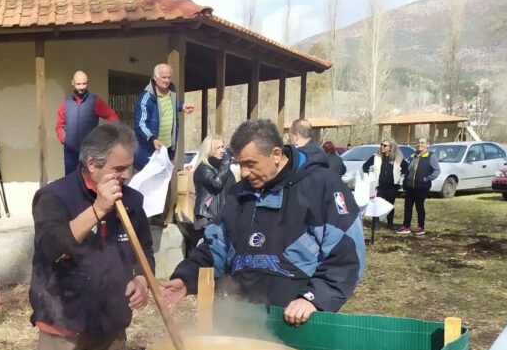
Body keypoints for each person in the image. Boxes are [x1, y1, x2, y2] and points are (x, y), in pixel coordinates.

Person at [163, 119, 365, 326]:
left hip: (298, 322)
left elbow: (347, 254)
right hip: (241, 320)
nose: (243, 173)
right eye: (240, 164)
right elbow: (215, 247)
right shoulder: (239, 193)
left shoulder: (322, 186)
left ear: (276, 154)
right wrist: (185, 279)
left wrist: (314, 298)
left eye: (251, 164)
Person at [28, 122, 152, 350]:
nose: (127, 175)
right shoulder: (54, 197)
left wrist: (141, 280)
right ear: (92, 164)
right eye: (119, 168)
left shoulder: (134, 202)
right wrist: (98, 209)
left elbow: (145, 252)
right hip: (62, 320)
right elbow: (53, 246)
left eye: (130, 167)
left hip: (109, 323)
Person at [55, 71, 119, 178]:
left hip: (90, 152)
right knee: (71, 183)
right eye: (78, 84)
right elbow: (59, 125)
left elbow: (112, 117)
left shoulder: (95, 101)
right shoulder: (65, 103)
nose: (81, 87)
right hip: (70, 153)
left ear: (87, 83)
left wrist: (105, 137)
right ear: (73, 83)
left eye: (84, 83)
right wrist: (64, 139)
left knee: (90, 183)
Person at [133, 63, 195, 171]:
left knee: (165, 184)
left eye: (169, 77)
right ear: (155, 78)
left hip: (167, 150)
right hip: (149, 152)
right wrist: (152, 138)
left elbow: (170, 104)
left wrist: (182, 106)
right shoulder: (145, 98)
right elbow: (140, 124)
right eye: (163, 77)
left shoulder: (171, 93)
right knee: (148, 186)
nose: (167, 80)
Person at [190, 134, 234, 251]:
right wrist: (226, 163)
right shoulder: (203, 169)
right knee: (208, 253)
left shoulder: (222, 169)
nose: (222, 150)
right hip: (207, 218)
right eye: (218, 147)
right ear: (210, 149)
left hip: (222, 217)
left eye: (223, 147)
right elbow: (217, 183)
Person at [360, 139, 407, 230]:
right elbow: (365, 166)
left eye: (385, 145)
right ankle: (376, 223)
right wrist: (368, 176)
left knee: (390, 205)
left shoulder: (397, 158)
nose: (382, 147)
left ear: (391, 148)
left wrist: (399, 175)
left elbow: (406, 167)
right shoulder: (376, 157)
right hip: (379, 186)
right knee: (376, 204)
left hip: (392, 186)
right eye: (381, 145)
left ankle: (390, 223)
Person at [398, 137, 440, 236]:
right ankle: (406, 226)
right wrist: (405, 181)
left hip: (422, 187)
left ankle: (421, 227)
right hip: (410, 187)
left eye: (422, 142)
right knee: (407, 207)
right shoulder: (413, 156)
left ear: (428, 145)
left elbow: (437, 171)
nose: (419, 144)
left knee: (419, 207)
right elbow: (408, 170)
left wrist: (427, 179)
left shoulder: (431, 156)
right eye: (418, 142)